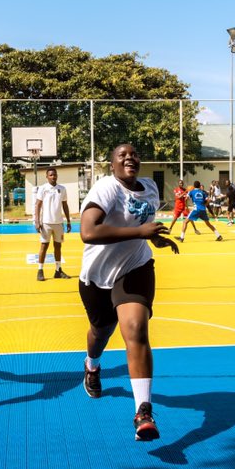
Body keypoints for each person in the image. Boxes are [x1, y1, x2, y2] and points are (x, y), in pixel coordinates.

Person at [77, 143, 179, 441]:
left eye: (134, 154)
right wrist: (140, 233)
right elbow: (88, 232)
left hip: (135, 267)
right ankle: (92, 365)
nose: (129, 158)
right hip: (97, 275)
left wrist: (155, 240)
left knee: (135, 329)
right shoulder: (106, 189)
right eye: (121, 155)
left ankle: (143, 411)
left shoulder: (149, 188)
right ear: (113, 165)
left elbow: (143, 226)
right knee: (101, 330)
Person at [33, 167, 72, 281]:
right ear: (47, 176)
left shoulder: (62, 189)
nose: (53, 177)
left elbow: (65, 205)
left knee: (58, 246)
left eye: (54, 175)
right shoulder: (43, 188)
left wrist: (68, 221)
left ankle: (58, 270)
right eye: (50, 175)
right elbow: (38, 205)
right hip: (46, 223)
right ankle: (40, 271)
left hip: (59, 223)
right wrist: (37, 221)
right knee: (44, 246)